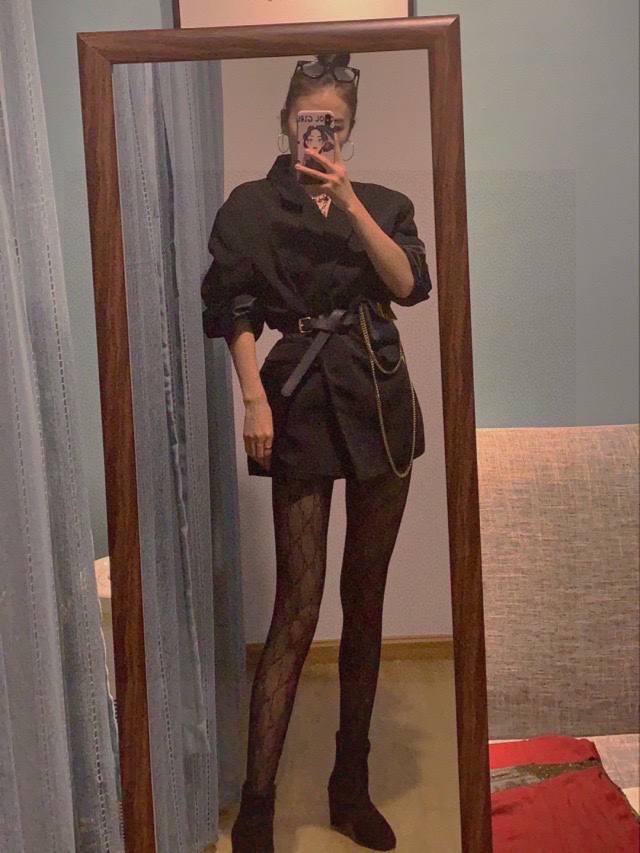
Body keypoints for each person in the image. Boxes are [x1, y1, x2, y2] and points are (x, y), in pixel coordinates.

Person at [201, 52, 432, 853]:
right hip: (297, 403)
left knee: (364, 602)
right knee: (297, 607)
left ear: (349, 130)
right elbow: (231, 305)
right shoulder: (251, 208)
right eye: (310, 120)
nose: (320, 134)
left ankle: (350, 789)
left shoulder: (384, 204)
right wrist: (252, 397)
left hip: (379, 400)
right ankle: (258, 804)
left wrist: (351, 202)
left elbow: (408, 285)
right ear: (286, 122)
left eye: (335, 124)